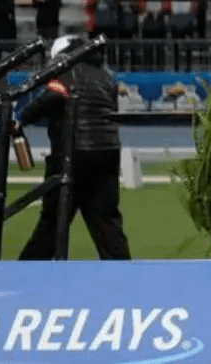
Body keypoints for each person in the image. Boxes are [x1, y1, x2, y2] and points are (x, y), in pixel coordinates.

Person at [16, 35, 132, 261]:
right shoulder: (106, 77)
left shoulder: (65, 70)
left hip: (71, 154)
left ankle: (27, 271)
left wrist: (21, 119)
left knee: (52, 221)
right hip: (107, 152)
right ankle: (123, 274)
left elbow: (54, 96)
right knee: (107, 222)